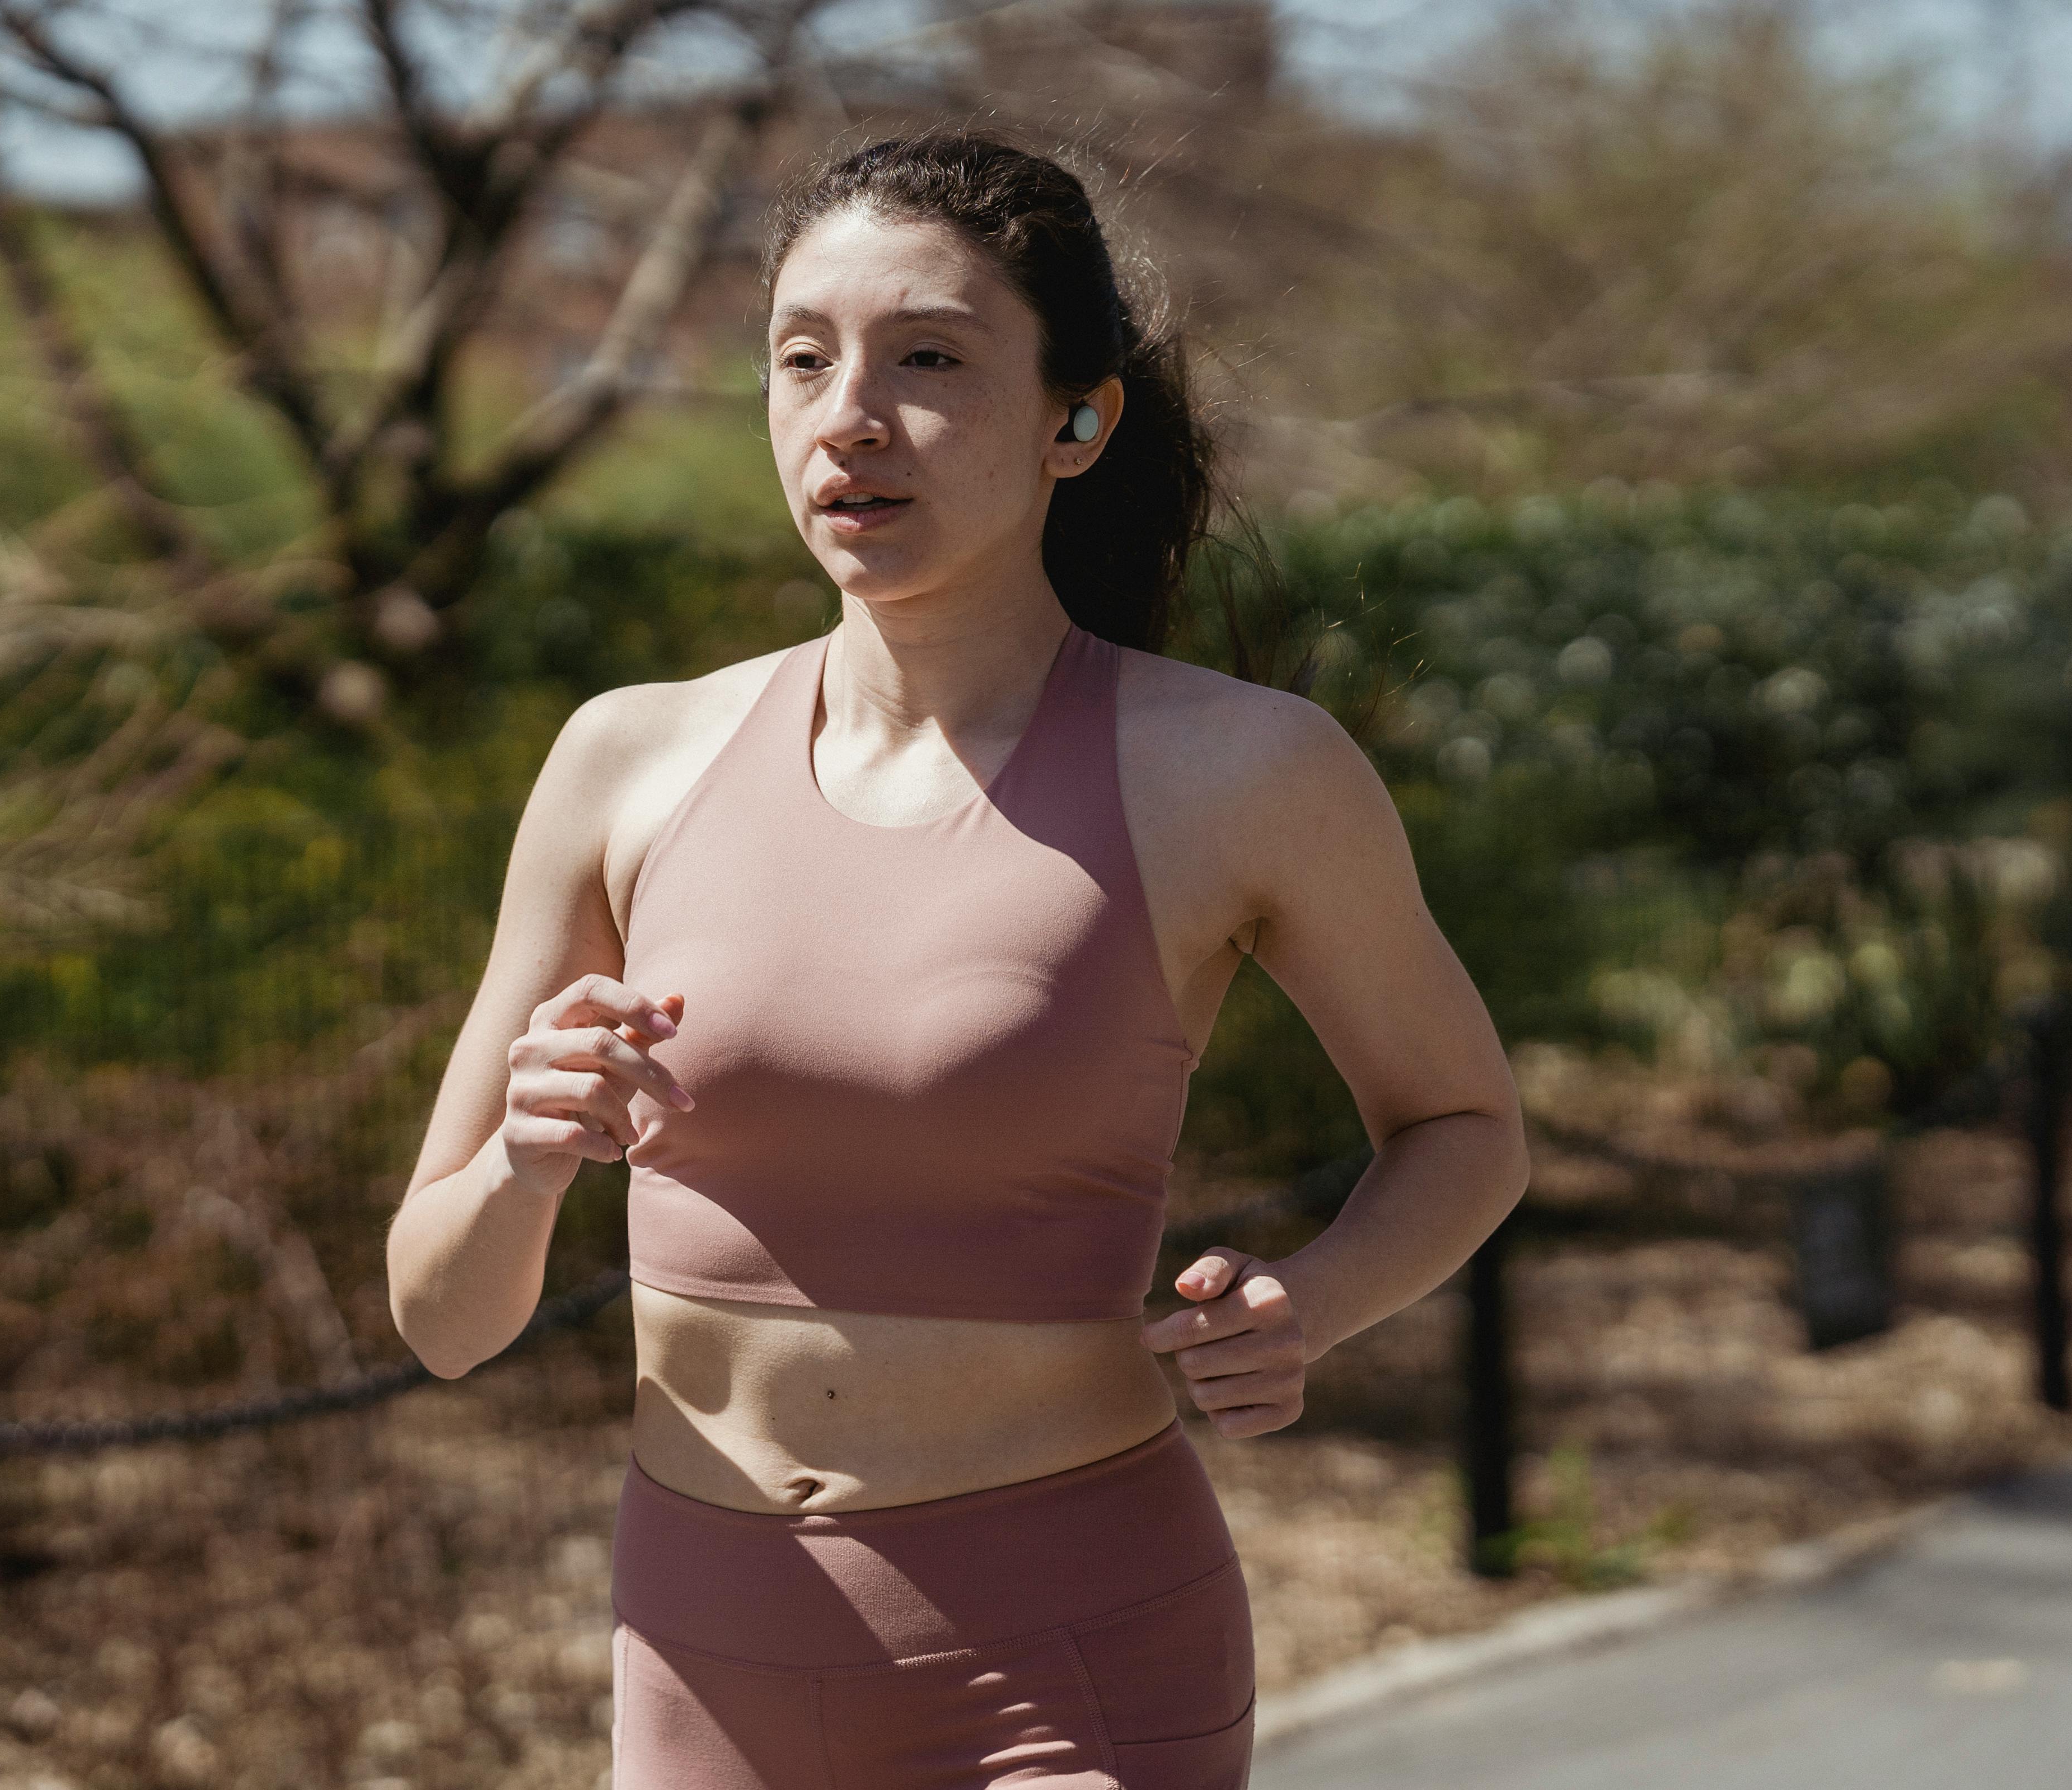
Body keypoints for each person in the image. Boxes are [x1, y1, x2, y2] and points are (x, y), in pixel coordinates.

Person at [383, 129, 1528, 1789]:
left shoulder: (1238, 772)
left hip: (1069, 1662)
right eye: (801, 360)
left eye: (928, 358)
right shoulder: (627, 761)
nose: (849, 414)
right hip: (703, 1656)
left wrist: (1314, 1301)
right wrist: (524, 1160)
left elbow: (1463, 1124)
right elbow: (441, 1320)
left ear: (1079, 419)